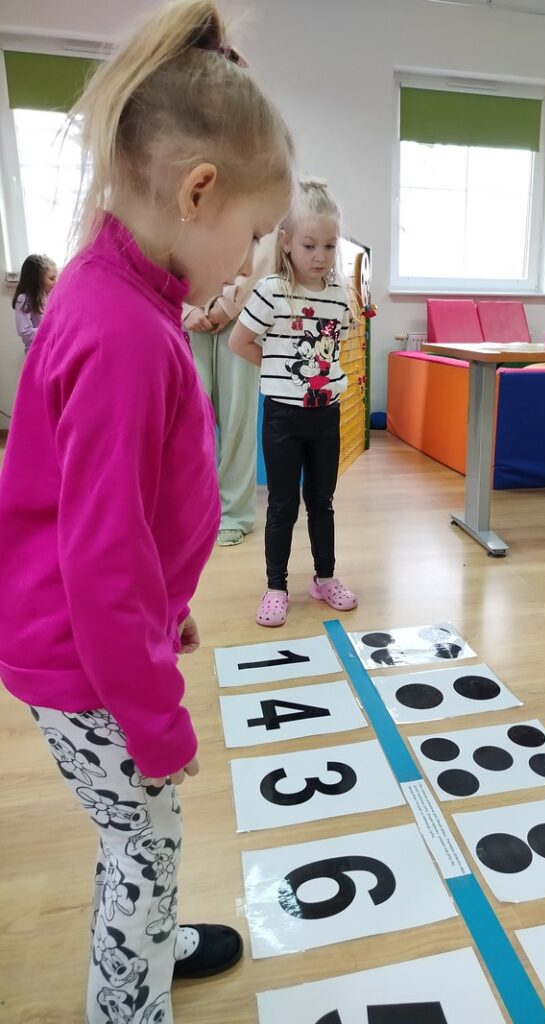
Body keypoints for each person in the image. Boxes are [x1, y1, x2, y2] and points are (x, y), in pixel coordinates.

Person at [0, 2, 293, 1020]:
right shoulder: (121, 331)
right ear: (198, 191)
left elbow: (122, 515)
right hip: (82, 662)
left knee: (143, 834)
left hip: (88, 640)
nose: (249, 263)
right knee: (145, 838)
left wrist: (165, 608)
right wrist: (157, 713)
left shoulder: (118, 281)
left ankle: (150, 943)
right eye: (251, 237)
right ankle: (129, 1001)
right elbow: (100, 558)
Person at [229, 178, 357, 627]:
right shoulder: (271, 291)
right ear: (285, 242)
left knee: (322, 501)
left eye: (329, 246)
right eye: (309, 245)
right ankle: (276, 587)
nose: (320, 256)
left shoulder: (339, 296)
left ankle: (325, 578)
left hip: (326, 416)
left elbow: (335, 348)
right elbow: (240, 341)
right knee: (282, 504)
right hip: (283, 418)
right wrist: (279, 371)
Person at [183, 266, 262, 547]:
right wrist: (184, 309)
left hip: (243, 315)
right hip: (187, 311)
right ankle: (192, 511)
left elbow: (264, 254)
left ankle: (235, 514)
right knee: (189, 423)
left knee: (237, 418)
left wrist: (231, 304)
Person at [12, 253, 57, 354]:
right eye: (51, 278)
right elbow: (25, 332)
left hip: (50, 349)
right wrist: (51, 329)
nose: (56, 282)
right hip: (36, 352)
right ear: (37, 279)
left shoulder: (48, 297)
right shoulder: (23, 299)